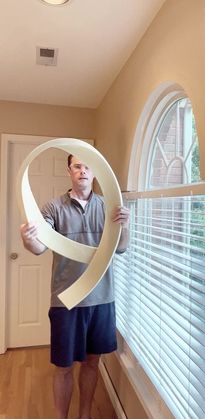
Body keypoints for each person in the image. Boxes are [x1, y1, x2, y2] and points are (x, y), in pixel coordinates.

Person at [20, 154, 130, 419]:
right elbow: (39, 247)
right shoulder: (53, 208)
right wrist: (27, 239)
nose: (83, 171)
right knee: (64, 366)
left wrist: (126, 225)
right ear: (69, 171)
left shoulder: (109, 206)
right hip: (66, 302)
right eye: (77, 166)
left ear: (95, 173)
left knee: (92, 364)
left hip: (102, 298)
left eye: (87, 167)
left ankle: (84, 415)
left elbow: (122, 248)